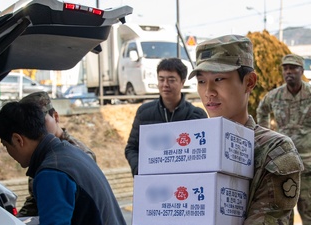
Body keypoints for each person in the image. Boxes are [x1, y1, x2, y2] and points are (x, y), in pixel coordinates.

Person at [188, 34, 304, 224]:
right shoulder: (194, 146)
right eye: (201, 81)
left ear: (249, 82)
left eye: (219, 79)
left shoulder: (275, 150)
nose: (208, 91)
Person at [0, 101, 126, 225]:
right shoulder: (70, 152)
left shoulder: (52, 173)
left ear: (18, 140)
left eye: (6, 146)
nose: (9, 152)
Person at [17, 91, 96, 217]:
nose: (37, 128)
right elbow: (35, 200)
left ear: (56, 116)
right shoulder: (42, 152)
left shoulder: (76, 154)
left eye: (41, 122)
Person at [125, 57, 208, 176]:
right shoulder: (144, 113)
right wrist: (139, 170)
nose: (165, 85)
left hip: (185, 184)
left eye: (171, 80)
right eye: (161, 79)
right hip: (152, 182)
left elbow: (203, 152)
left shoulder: (197, 116)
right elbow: (131, 148)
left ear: (182, 82)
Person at [257, 53, 311, 224]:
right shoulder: (275, 95)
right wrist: (267, 135)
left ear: (301, 70)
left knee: (308, 209)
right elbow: (262, 110)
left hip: (308, 162)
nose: (289, 72)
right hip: (284, 161)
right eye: (285, 68)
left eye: (293, 68)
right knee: (283, 211)